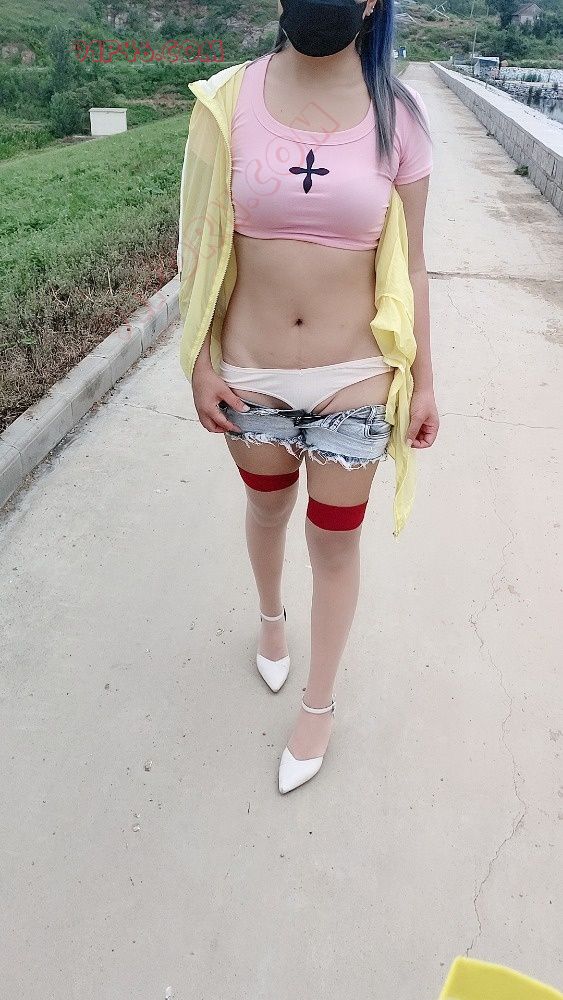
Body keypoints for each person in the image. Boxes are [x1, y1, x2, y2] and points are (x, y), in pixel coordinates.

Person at [179, 0, 440, 794]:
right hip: (250, 374)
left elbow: (414, 264)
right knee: (266, 510)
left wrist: (426, 380)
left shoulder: (397, 116)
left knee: (333, 543)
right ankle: (270, 621)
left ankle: (318, 705)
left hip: (353, 376)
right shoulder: (229, 99)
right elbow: (200, 240)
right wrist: (200, 360)